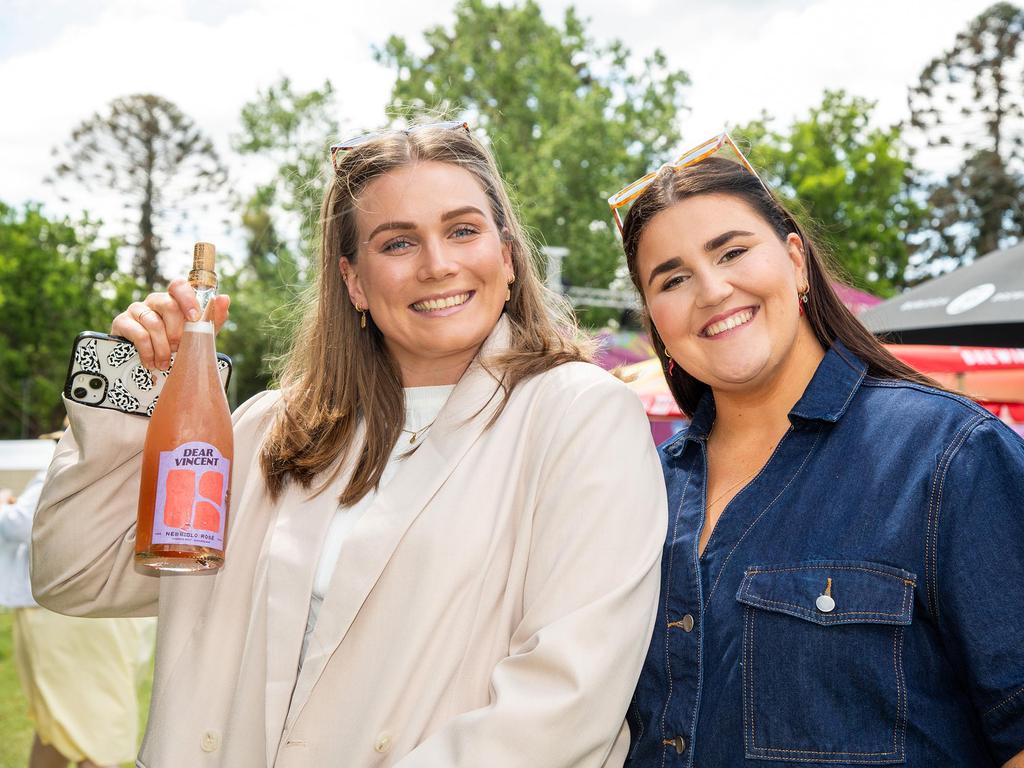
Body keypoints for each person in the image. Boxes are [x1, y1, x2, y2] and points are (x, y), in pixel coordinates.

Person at [31, 121, 667, 767]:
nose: (437, 263)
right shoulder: (269, 429)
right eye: (397, 243)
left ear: (506, 257)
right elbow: (75, 575)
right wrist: (139, 385)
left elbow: (563, 701)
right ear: (354, 281)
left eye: (463, 230)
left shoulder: (579, 414)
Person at [612, 135, 1024, 767]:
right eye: (672, 279)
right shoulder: (642, 492)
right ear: (656, 323)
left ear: (797, 262)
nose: (713, 290)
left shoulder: (949, 456)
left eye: (733, 251)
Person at [1, 433, 154, 768]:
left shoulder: (68, 464)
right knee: (63, 723)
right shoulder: (143, 465)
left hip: (66, 614)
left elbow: (23, 524)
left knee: (86, 727)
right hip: (114, 606)